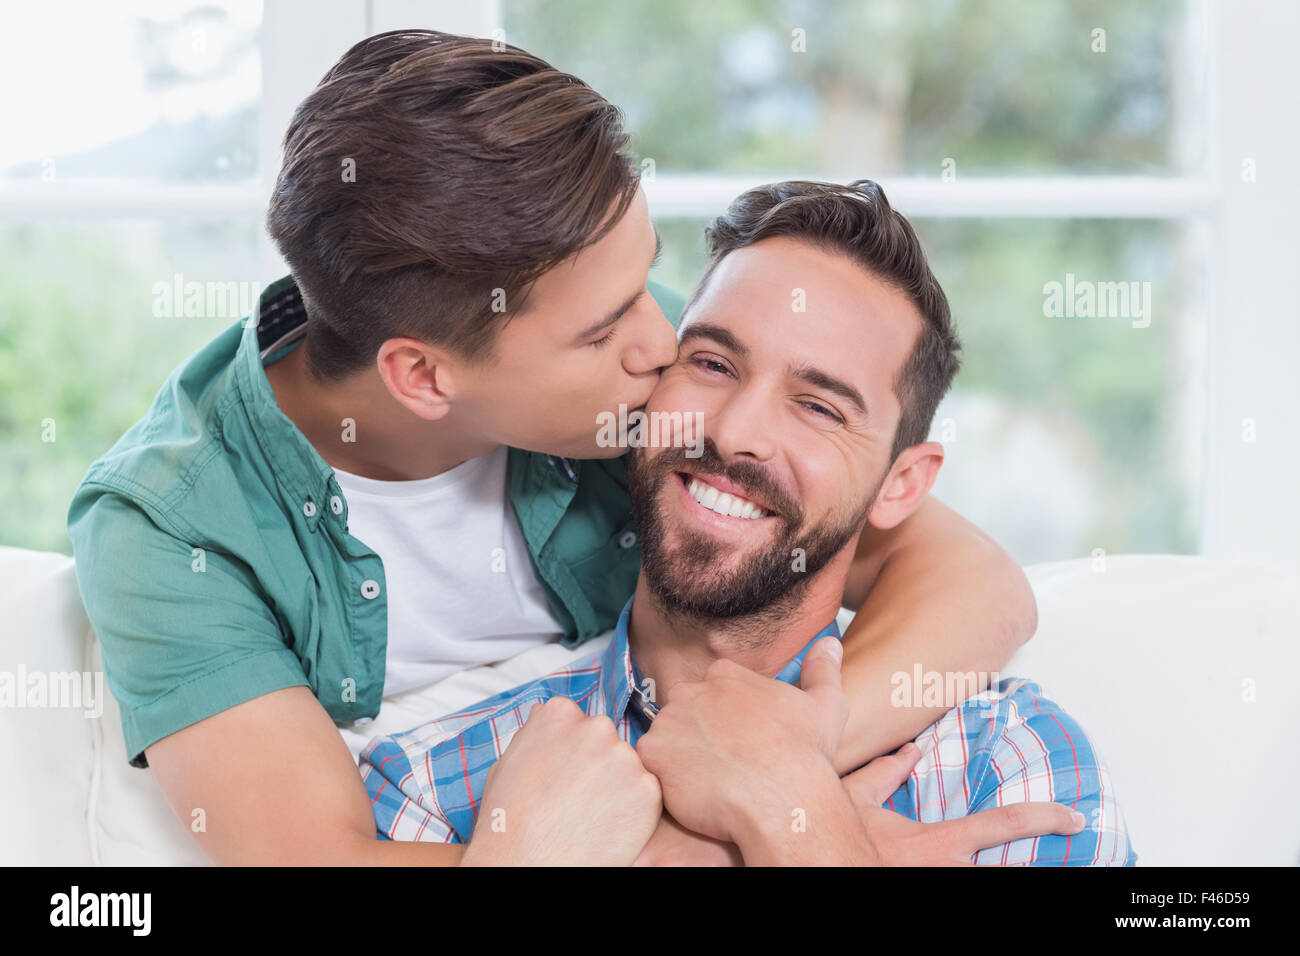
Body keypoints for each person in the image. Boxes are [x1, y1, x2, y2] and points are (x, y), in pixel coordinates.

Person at [67, 31, 1036, 866]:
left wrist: (792, 749)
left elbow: (978, 584)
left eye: (646, 282)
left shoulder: (647, 364)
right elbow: (320, 855)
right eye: (606, 325)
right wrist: (733, 835)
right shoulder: (168, 528)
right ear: (425, 377)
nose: (663, 347)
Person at [361, 180, 1136, 865]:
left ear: (902, 486)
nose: (734, 433)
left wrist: (791, 816)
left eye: (819, 407)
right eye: (713, 364)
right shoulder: (433, 782)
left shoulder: (1011, 765)